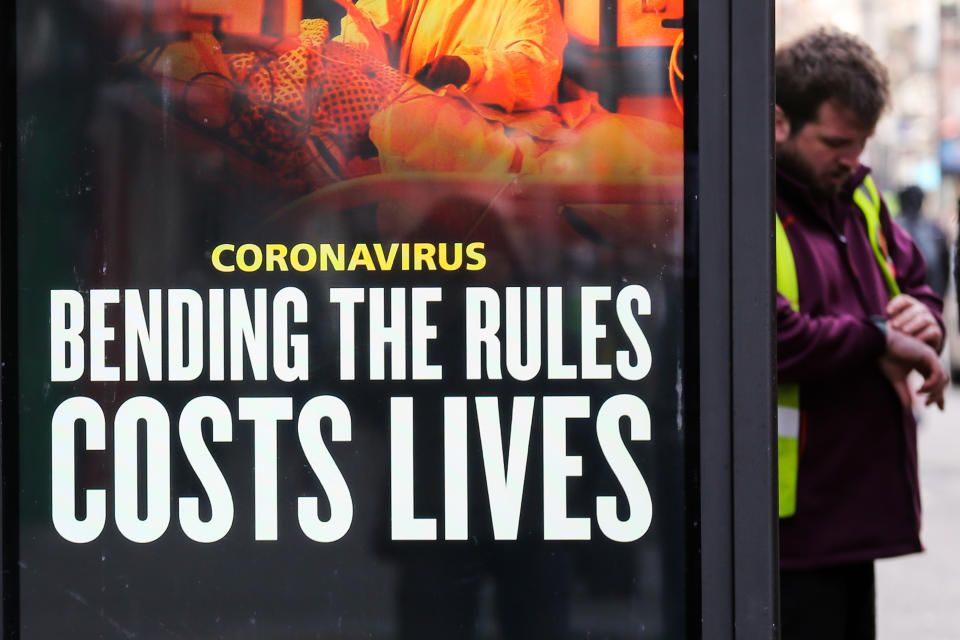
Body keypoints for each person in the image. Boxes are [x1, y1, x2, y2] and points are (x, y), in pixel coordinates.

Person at [774, 27, 949, 640]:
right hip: (787, 529)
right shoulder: (748, 203)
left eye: (863, 142)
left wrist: (926, 321)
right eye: (834, 142)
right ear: (778, 124)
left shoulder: (857, 194)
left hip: (858, 513)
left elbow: (915, 285)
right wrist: (879, 339)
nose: (852, 157)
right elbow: (771, 337)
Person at [337, 0, 567, 113]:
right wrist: (338, 53)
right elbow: (372, 23)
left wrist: (470, 68)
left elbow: (537, 63)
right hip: (411, 119)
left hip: (489, 136)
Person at [895, 185, 951, 299]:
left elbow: (944, 267)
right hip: (904, 298)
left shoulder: (934, 230)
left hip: (927, 297)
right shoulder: (893, 228)